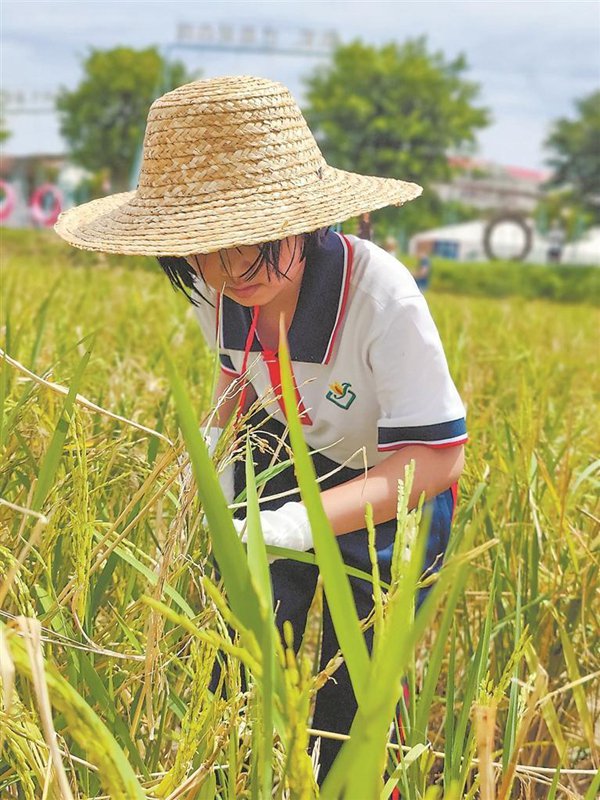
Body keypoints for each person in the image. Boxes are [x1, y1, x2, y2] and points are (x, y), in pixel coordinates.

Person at [54, 76, 467, 781]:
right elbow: (237, 381)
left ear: (302, 218)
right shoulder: (223, 287)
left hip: (390, 485)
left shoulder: (382, 297)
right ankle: (232, 774)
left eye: (250, 239)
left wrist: (300, 522)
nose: (228, 268)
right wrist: (205, 467)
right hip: (286, 449)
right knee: (235, 650)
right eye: (201, 247)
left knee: (355, 692)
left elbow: (434, 461)